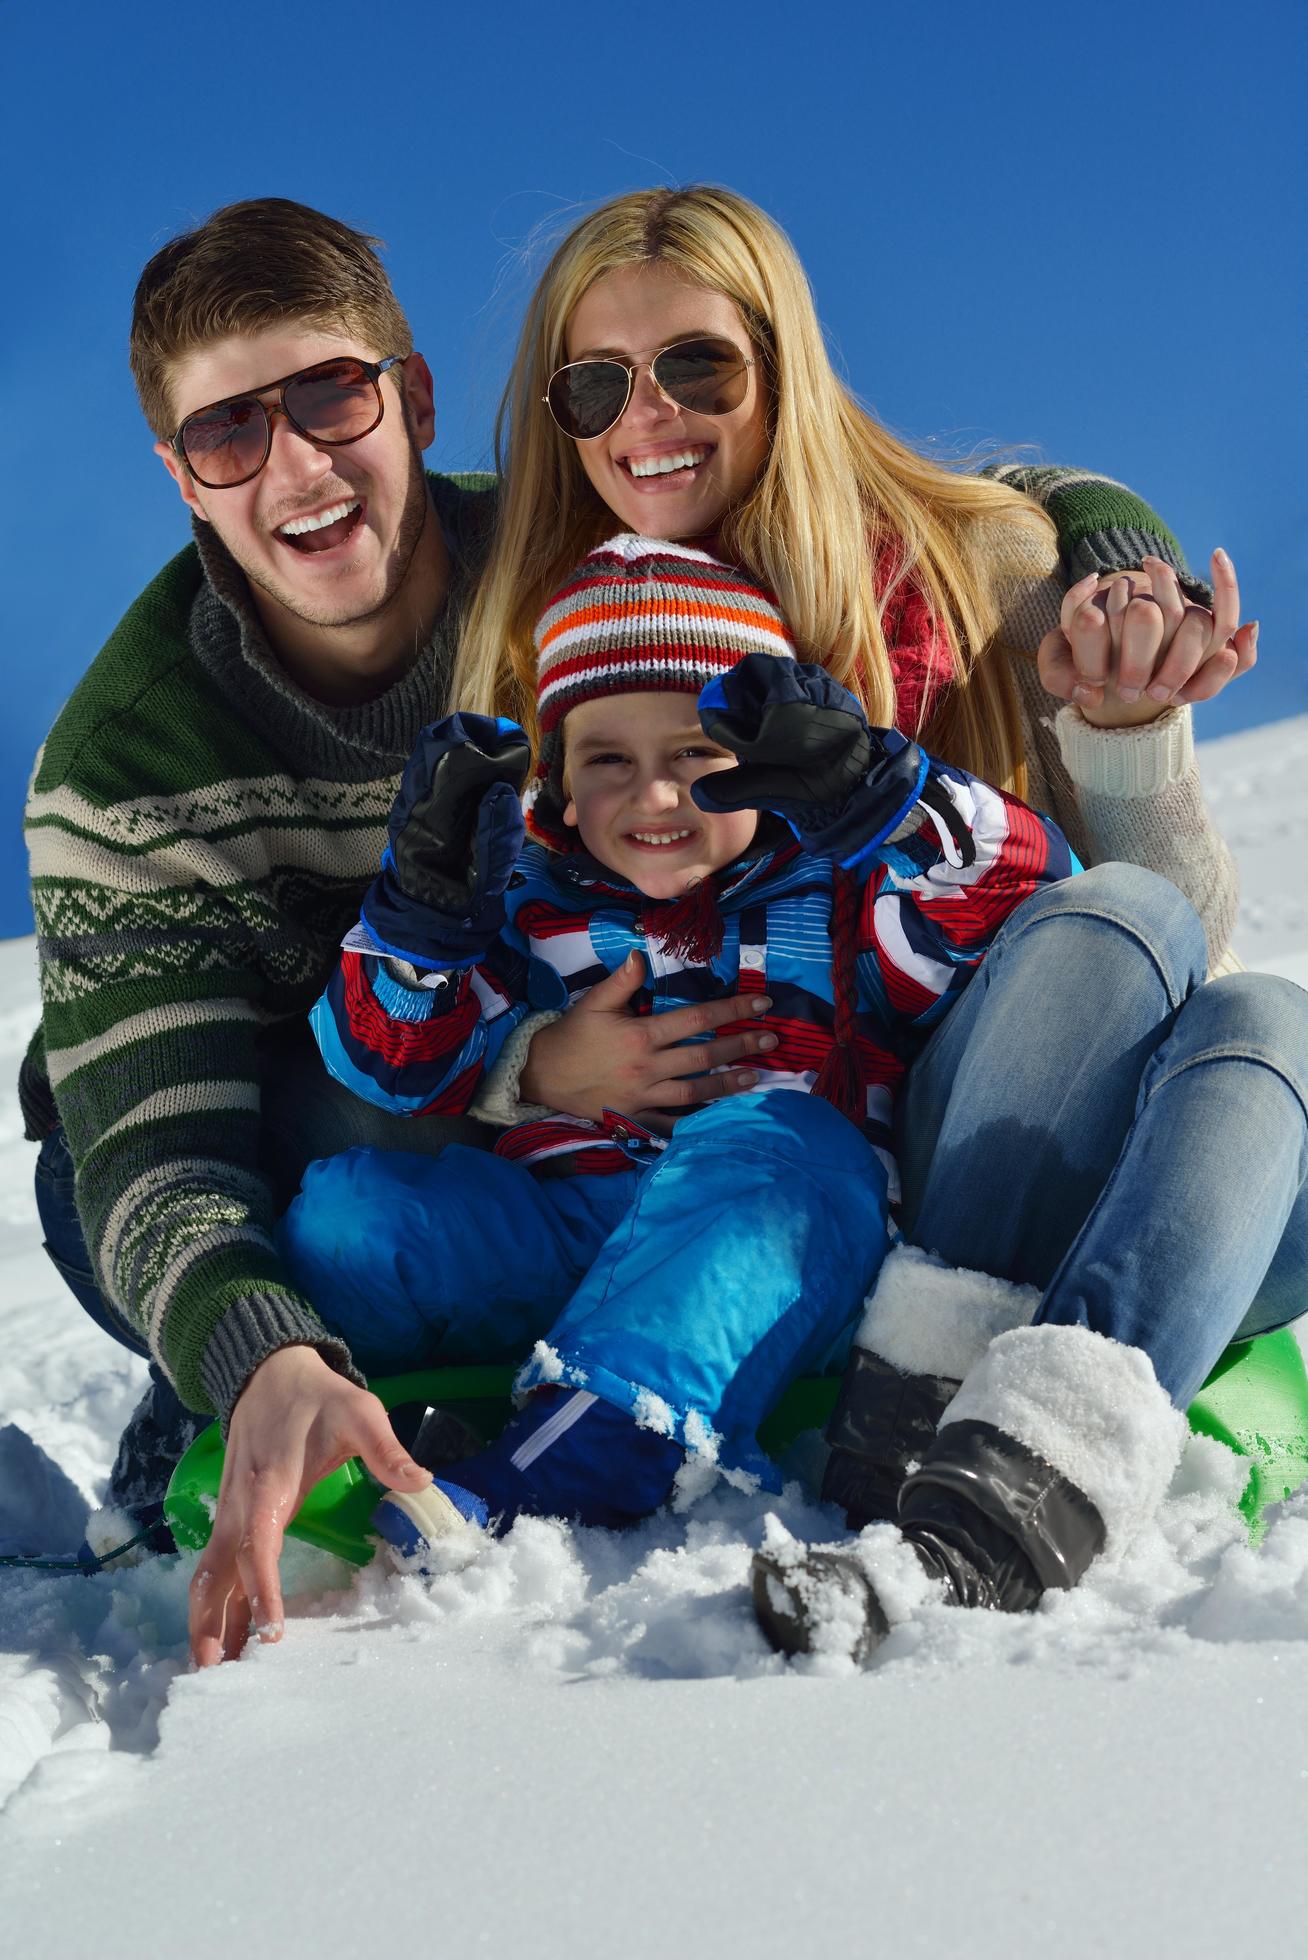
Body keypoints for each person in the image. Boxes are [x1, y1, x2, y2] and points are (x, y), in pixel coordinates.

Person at [16, 184, 1270, 1666]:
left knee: (831, 1141)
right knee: (274, 1187)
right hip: (427, 1135)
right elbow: (183, 1133)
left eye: (332, 397)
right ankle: (284, 1370)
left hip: (790, 1156)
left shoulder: (632, 614)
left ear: (410, 399)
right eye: (232, 430)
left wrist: (1062, 610)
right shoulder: (153, 762)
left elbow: (1025, 835)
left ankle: (615, 1416)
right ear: (182, 473)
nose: (296, 462)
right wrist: (279, 1310)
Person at [429, 184, 1307, 1656]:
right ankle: (960, 1438)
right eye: (596, 384)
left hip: (1030, 1094)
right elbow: (472, 939)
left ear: (785, 367)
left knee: (1257, 1015)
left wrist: (1129, 732)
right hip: (832, 1186)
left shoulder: (972, 580)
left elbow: (1174, 942)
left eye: (700, 366)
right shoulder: (555, 629)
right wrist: (529, 1068)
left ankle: (982, 1438)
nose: (649, 417)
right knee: (1156, 949)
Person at [276, 534, 1075, 1549]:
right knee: (346, 1213)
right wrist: (424, 916)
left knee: (788, 1138)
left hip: (776, 1250)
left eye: (698, 758)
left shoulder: (839, 896)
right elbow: (391, 1060)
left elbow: (1016, 898)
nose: (656, 797)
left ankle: (594, 1450)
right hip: (567, 1235)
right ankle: (363, 1406)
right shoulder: (526, 905)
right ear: (557, 780)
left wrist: (885, 799)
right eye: (609, 761)